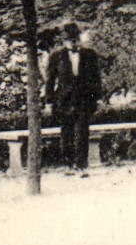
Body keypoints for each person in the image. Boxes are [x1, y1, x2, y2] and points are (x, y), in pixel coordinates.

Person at [44, 21, 102, 172]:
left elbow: (96, 78)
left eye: (76, 38)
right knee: (66, 133)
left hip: (84, 100)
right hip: (64, 100)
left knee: (83, 132)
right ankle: (68, 164)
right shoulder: (56, 56)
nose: (74, 42)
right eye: (70, 39)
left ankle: (82, 166)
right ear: (64, 40)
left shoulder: (90, 55)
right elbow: (49, 81)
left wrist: (98, 97)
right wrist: (49, 102)